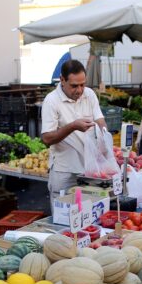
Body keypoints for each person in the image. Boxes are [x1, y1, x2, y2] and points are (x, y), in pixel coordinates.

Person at [41, 60, 107, 202]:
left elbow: (100, 120)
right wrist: (72, 126)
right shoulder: (51, 101)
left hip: (90, 170)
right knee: (63, 216)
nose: (79, 90)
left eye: (82, 84)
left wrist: (105, 138)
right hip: (64, 170)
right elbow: (47, 138)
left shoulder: (89, 95)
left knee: (89, 213)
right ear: (62, 80)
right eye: (74, 86)